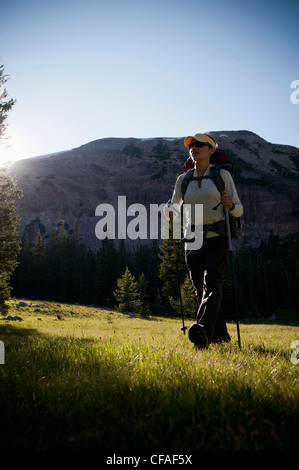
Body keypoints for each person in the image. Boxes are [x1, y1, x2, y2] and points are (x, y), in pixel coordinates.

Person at [167, 132, 243, 348]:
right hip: (192, 237)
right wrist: (168, 211)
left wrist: (230, 206)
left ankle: (201, 333)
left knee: (211, 284)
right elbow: (174, 207)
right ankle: (220, 337)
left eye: (200, 144)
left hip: (218, 236)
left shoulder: (222, 176)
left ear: (211, 150)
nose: (194, 147)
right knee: (201, 290)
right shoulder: (183, 179)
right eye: (191, 145)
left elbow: (239, 209)